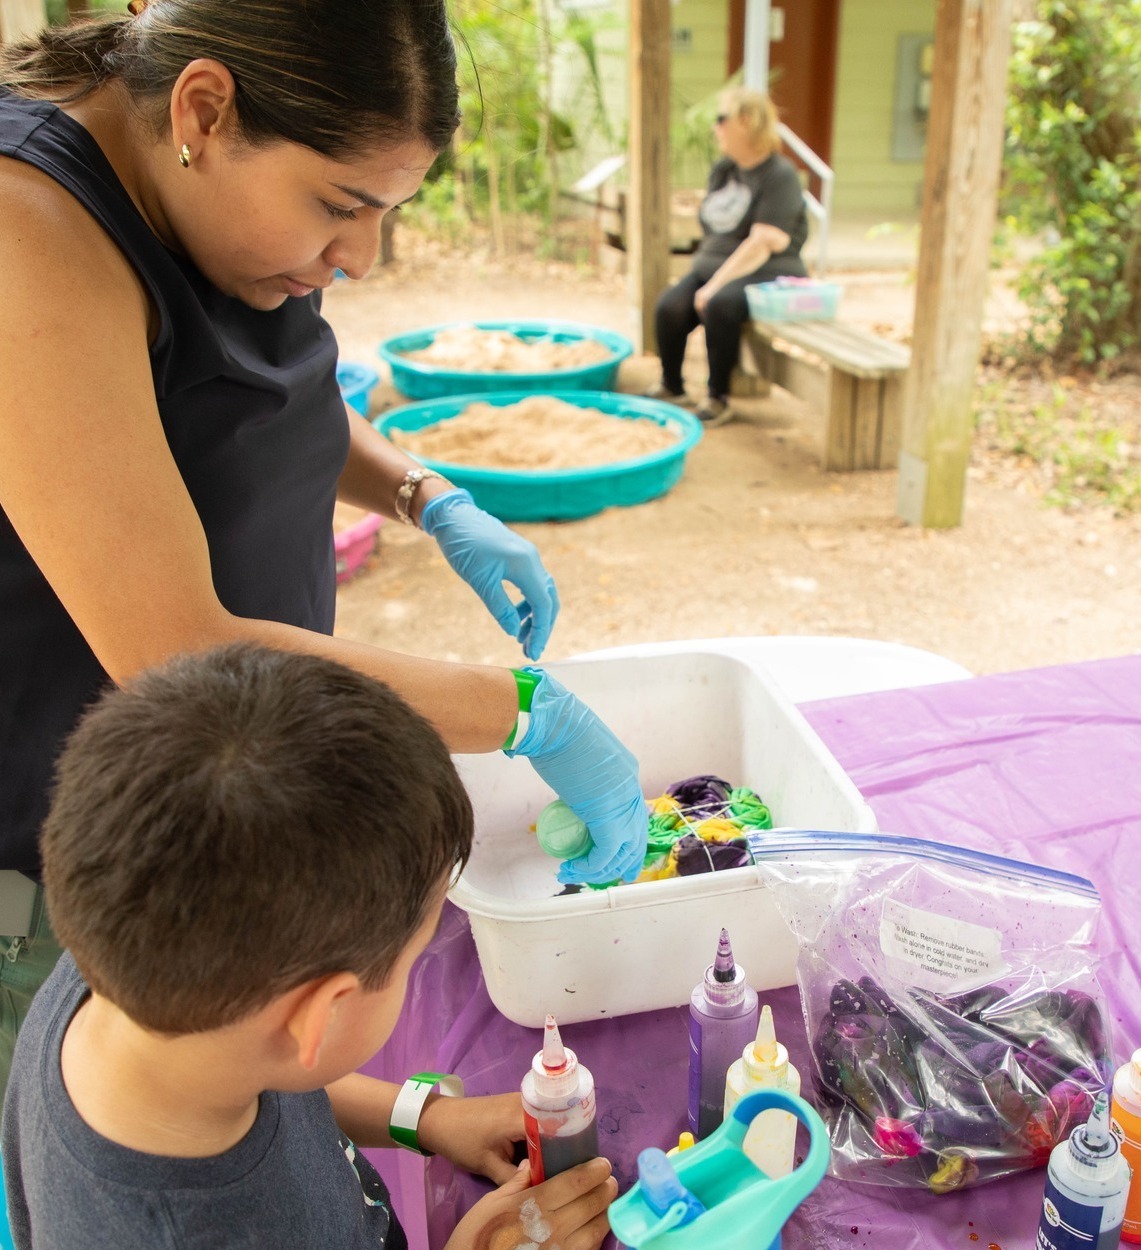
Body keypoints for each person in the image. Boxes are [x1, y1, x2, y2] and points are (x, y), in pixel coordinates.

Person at [0, 0, 648, 1095]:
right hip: (75, 867)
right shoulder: (30, 236)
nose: (361, 255)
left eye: (388, 210)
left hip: (227, 796)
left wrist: (423, 491)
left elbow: (252, 397)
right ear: (206, 108)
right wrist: (522, 708)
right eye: (342, 206)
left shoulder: (198, 182)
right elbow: (173, 648)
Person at [2, 642, 618, 1250]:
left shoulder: (126, 958)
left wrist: (425, 1117)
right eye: (412, 958)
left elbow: (275, 1072)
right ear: (318, 1014)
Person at [649, 88, 809, 427]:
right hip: (717, 268)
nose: (715, 128)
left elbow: (766, 241)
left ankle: (718, 396)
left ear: (746, 121)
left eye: (721, 119)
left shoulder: (779, 175)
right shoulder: (724, 169)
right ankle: (672, 385)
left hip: (766, 272)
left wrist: (712, 286)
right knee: (670, 307)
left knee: (719, 305)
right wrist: (705, 275)